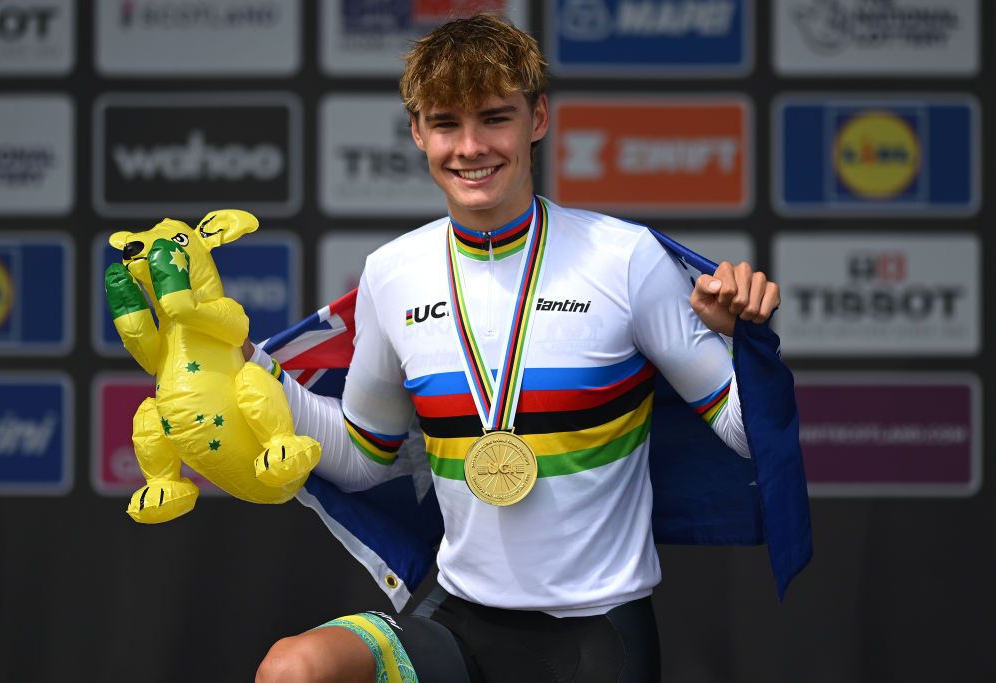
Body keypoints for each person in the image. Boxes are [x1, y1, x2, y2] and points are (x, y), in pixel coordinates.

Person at [250, 13, 781, 683]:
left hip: (594, 635)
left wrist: (747, 342)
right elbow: (362, 455)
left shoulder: (623, 259)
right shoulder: (393, 271)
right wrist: (248, 369)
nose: (471, 147)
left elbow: (746, 433)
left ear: (538, 119)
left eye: (495, 118)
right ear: (417, 132)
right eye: (446, 124)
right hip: (458, 621)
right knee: (294, 669)